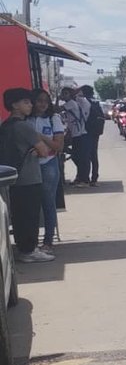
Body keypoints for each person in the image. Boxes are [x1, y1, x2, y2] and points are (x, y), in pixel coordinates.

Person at [0, 88, 54, 263]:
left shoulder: (5, 125)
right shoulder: (24, 126)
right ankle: (29, 250)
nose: (30, 105)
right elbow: (44, 151)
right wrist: (37, 147)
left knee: (19, 215)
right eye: (26, 102)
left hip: (12, 178)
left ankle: (24, 248)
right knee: (30, 215)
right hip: (29, 177)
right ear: (14, 105)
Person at [29, 89, 65, 253]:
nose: (42, 104)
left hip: (48, 164)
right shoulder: (25, 119)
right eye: (39, 101)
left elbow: (58, 146)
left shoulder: (53, 119)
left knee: (48, 203)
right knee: (31, 204)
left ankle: (48, 241)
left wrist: (41, 138)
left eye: (45, 101)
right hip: (29, 167)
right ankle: (30, 241)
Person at [60, 86, 92, 186]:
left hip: (80, 135)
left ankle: (84, 179)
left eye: (66, 93)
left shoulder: (71, 103)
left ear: (70, 95)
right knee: (76, 156)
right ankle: (81, 177)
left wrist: (57, 99)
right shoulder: (72, 103)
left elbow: (56, 109)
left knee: (79, 157)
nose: (63, 95)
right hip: (76, 135)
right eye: (63, 93)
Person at [80, 85, 106, 186]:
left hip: (87, 132)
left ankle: (85, 179)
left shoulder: (84, 102)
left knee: (86, 156)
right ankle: (94, 178)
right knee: (94, 155)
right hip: (95, 132)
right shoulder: (95, 102)